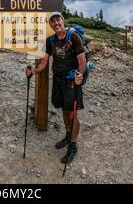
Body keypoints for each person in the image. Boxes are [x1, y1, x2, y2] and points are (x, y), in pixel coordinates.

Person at [26, 12, 86, 164]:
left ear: (62, 21)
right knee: (65, 110)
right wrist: (34, 70)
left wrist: (80, 75)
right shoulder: (50, 40)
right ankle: (68, 135)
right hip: (58, 80)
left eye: (58, 19)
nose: (56, 23)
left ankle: (73, 145)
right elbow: (44, 61)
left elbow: (82, 59)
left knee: (72, 113)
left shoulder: (73, 36)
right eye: (52, 21)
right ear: (50, 25)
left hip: (72, 80)